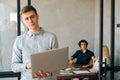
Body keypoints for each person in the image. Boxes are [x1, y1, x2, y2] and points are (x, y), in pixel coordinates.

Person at [11, 5, 58, 80]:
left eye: (32, 16)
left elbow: (56, 63)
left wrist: (51, 73)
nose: (30, 20)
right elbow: (14, 66)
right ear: (23, 22)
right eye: (26, 19)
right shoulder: (19, 40)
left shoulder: (51, 37)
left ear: (37, 16)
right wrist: (27, 66)